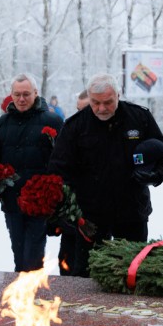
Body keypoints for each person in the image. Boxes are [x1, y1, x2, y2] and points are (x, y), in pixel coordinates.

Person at [49, 72, 163, 277]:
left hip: (132, 211)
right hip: (90, 216)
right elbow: (59, 170)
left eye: (108, 102)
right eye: (96, 103)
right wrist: (69, 213)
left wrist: (154, 176)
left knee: (132, 271)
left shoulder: (139, 117)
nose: (102, 108)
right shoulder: (75, 126)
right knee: (87, 275)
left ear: (118, 95)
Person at [0, 73, 63, 272]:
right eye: (17, 94)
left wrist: (52, 190)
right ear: (11, 95)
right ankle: (19, 295)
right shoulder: (3, 122)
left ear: (36, 93)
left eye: (26, 94)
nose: (21, 99)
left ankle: (32, 294)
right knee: (18, 252)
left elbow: (61, 160)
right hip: (12, 199)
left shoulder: (52, 120)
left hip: (39, 200)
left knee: (33, 255)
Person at [56, 88, 92, 275]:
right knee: (66, 262)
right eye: (78, 109)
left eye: (85, 110)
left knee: (86, 268)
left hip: (94, 216)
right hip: (71, 212)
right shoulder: (70, 130)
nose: (81, 115)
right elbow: (58, 166)